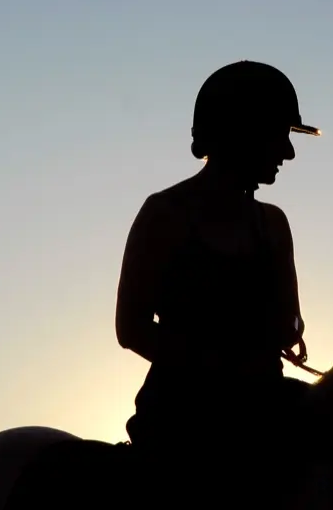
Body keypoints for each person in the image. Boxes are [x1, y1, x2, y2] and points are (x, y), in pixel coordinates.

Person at [114, 60, 321, 505]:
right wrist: (221, 366)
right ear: (241, 131)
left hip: (265, 409)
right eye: (278, 135)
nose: (288, 152)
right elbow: (130, 329)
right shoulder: (164, 214)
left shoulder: (274, 224)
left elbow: (289, 323)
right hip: (183, 422)